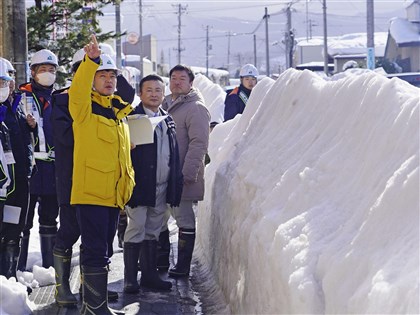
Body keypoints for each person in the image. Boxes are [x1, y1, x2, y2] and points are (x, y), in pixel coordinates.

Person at [51, 48, 134, 307]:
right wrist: (92, 61)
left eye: (113, 75)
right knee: (74, 235)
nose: (109, 80)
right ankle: (68, 290)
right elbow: (67, 135)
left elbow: (127, 94)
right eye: (102, 74)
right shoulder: (79, 104)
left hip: (109, 192)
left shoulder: (115, 112)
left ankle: (93, 299)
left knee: (101, 247)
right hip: (80, 183)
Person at [123, 74, 183, 293]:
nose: (154, 94)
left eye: (158, 90)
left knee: (154, 230)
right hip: (139, 185)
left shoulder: (167, 118)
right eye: (149, 90)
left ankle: (149, 275)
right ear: (140, 93)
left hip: (162, 185)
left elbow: (173, 153)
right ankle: (130, 278)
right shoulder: (131, 118)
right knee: (136, 227)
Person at [161, 64, 210, 278]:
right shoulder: (165, 104)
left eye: (182, 78)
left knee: (184, 219)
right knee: (159, 218)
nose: (177, 82)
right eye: (173, 78)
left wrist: (188, 174)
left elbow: (199, 143)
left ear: (191, 83)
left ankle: (182, 266)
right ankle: (161, 262)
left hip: (182, 175)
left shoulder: (195, 108)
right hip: (163, 174)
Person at [18, 49, 59, 270]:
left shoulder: (61, 98)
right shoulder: (20, 97)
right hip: (30, 170)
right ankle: (19, 270)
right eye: (43, 69)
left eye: (52, 70)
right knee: (24, 222)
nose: (47, 74)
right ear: (33, 72)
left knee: (50, 220)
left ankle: (50, 270)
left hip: (53, 171)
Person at [0, 59, 33, 280]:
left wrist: (33, 127)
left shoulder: (18, 105)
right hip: (2, 184)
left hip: (18, 182)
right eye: (2, 81)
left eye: (9, 79)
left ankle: (9, 279)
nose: (8, 85)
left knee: (13, 230)